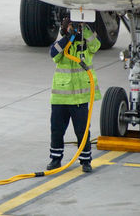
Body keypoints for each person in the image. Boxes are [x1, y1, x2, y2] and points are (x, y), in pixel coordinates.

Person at [47, 18, 102, 173]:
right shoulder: (63, 46)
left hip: (79, 99)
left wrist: (84, 28)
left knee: (82, 131)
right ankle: (55, 159)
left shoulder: (85, 46)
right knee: (57, 130)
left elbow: (96, 45)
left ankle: (85, 160)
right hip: (61, 98)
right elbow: (53, 53)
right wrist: (67, 37)